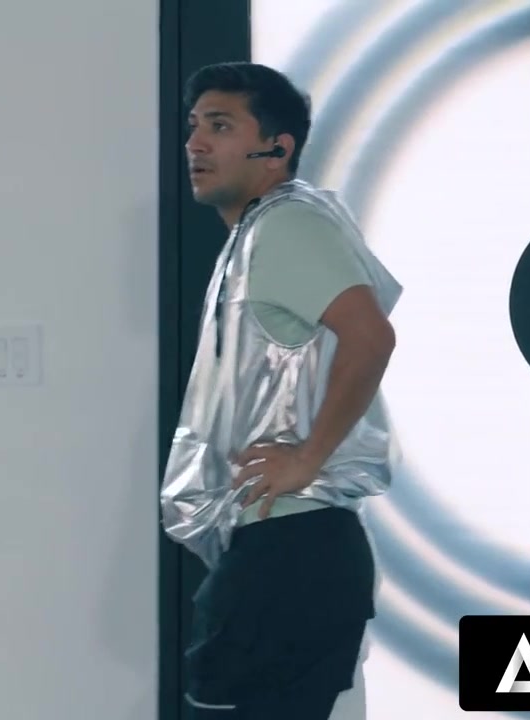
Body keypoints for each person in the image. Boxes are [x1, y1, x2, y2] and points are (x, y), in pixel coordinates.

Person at [159, 61, 403, 719]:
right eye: (193, 127)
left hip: (292, 550)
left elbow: (371, 336)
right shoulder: (259, 234)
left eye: (220, 126)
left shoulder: (285, 226)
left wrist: (307, 458)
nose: (195, 143)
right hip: (286, 549)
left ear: (276, 147)